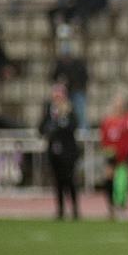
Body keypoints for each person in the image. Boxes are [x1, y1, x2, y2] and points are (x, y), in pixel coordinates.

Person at [39, 83, 79, 220]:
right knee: (58, 182)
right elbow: (41, 128)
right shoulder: (49, 112)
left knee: (70, 181)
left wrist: (61, 122)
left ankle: (75, 209)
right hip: (54, 153)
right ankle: (60, 210)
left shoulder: (69, 111)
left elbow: (73, 127)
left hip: (68, 153)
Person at [99, 92, 127, 218]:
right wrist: (107, 150)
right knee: (109, 179)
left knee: (121, 182)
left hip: (122, 156)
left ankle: (121, 205)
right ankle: (111, 206)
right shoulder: (107, 121)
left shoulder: (126, 121)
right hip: (110, 155)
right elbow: (104, 139)